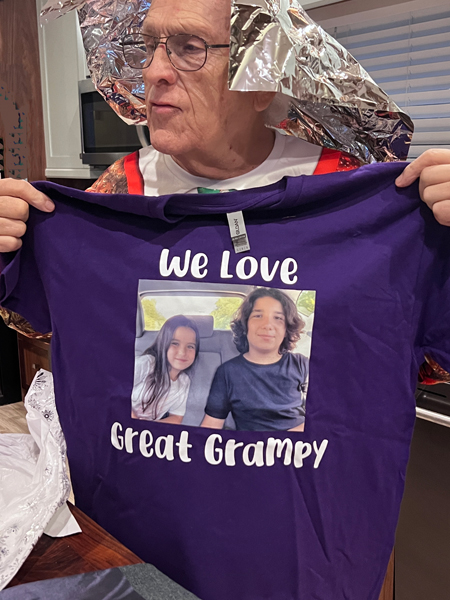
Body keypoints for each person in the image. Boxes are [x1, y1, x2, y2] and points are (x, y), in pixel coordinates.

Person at [0, 0, 449, 257]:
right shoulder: (119, 193)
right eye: (147, 46)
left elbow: (423, 352)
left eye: (189, 47)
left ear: (260, 84)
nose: (153, 71)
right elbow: (55, 324)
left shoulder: (343, 190)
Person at [201, 288, 308, 432]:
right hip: (251, 450)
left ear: (286, 329)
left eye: (278, 318)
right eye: (258, 316)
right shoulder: (227, 372)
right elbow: (211, 425)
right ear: (245, 325)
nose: (267, 325)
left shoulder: (302, 364)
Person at [131, 315, 199, 424]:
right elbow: (114, 391)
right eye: (175, 343)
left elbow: (177, 417)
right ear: (163, 343)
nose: (182, 352)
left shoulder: (184, 381)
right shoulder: (145, 364)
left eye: (190, 346)